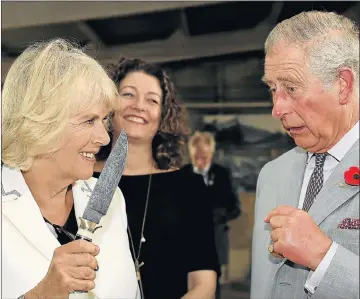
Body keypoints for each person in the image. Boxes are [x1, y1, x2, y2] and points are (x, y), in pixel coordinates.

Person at [1, 39, 139, 299]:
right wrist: (41, 295)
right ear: (41, 123)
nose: (105, 138)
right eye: (89, 120)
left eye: (104, 120)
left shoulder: (110, 197)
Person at [251, 11, 359, 299]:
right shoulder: (272, 174)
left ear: (343, 85)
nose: (277, 109)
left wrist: (324, 257)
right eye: (273, 89)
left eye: (291, 88)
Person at [94, 58, 219, 299]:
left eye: (152, 100)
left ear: (163, 115)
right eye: (128, 94)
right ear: (108, 104)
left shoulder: (188, 188)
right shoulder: (80, 180)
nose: (139, 106)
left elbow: (203, 283)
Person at [182, 131, 241, 298]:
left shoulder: (222, 174)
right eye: (197, 154)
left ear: (211, 153)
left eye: (204, 154)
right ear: (190, 153)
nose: (200, 158)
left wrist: (219, 215)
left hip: (215, 240)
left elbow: (235, 208)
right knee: (187, 282)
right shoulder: (182, 174)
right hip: (187, 240)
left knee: (212, 283)